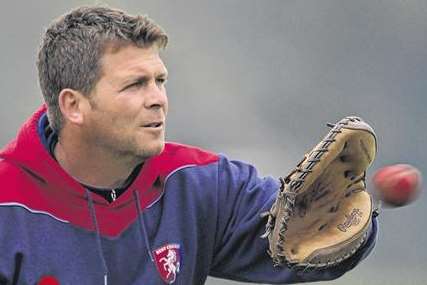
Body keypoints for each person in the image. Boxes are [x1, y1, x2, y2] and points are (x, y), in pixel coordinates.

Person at [0, 6, 378, 285]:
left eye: (159, 81)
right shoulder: (6, 204)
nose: (158, 99)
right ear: (74, 105)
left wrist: (353, 225)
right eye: (135, 85)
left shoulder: (203, 183)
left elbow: (313, 236)